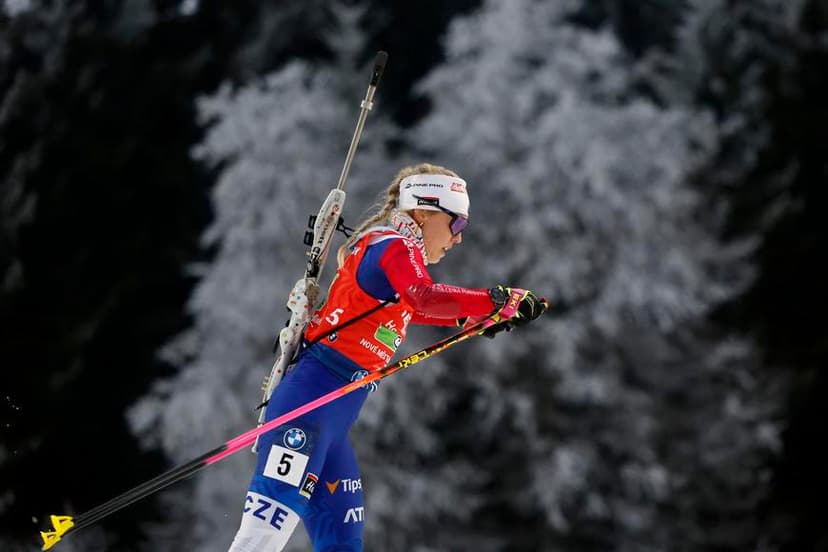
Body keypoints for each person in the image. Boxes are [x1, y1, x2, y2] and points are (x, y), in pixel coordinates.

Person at [227, 163, 544, 552]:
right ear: (423, 212)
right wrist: (497, 299)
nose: (458, 238)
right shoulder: (393, 245)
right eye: (456, 224)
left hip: (335, 420)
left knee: (343, 544)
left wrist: (482, 314)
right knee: (262, 539)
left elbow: (413, 307)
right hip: (310, 405)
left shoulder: (392, 250)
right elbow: (423, 296)